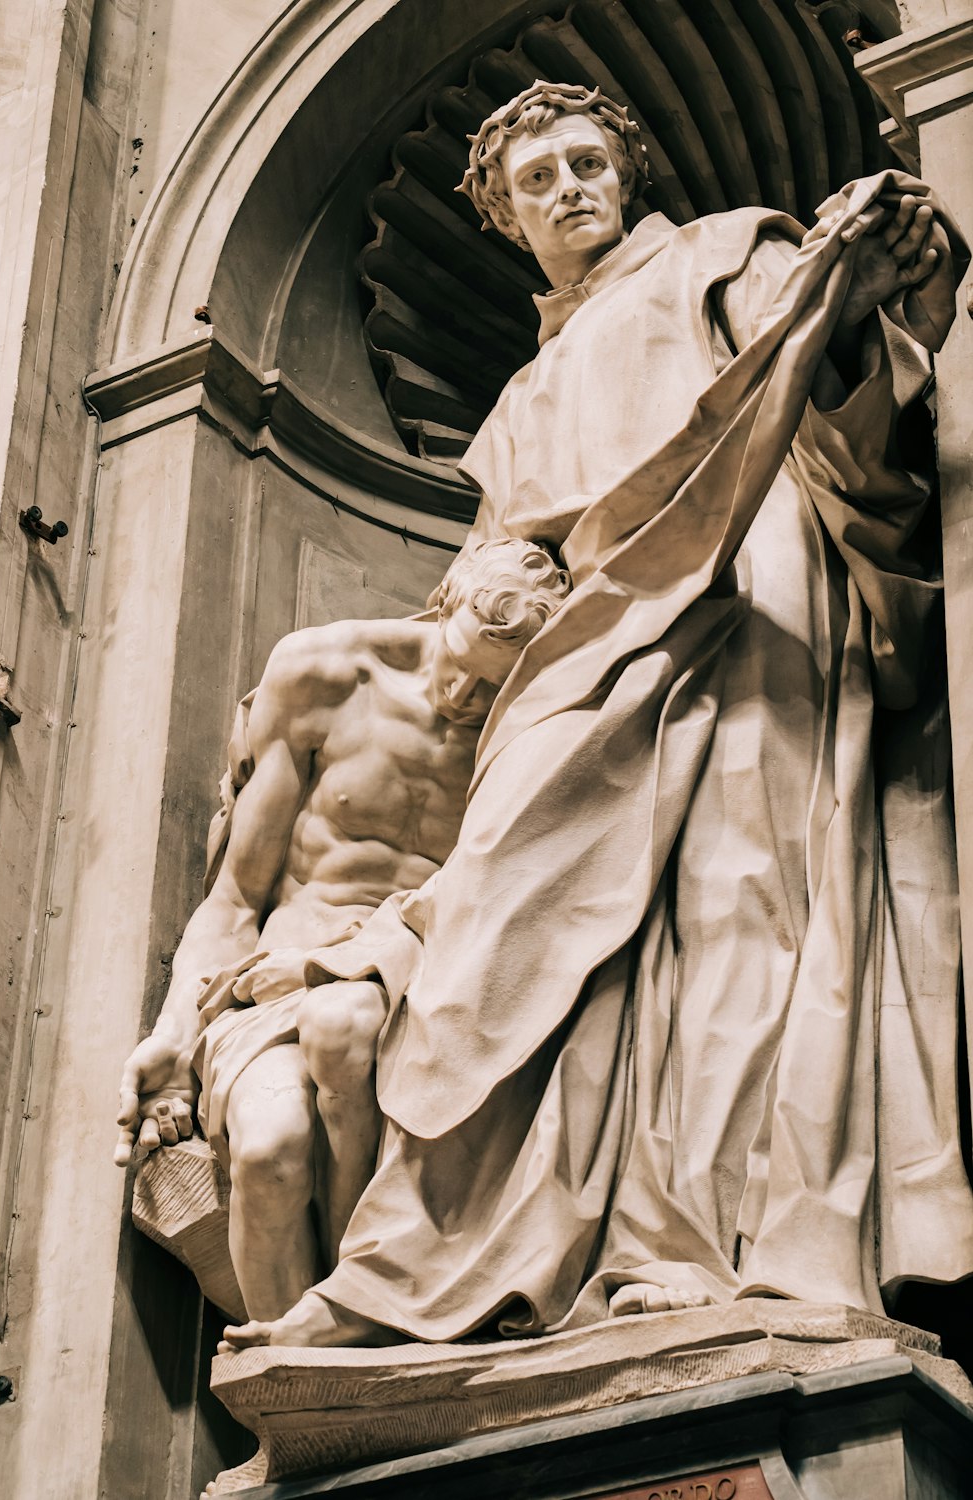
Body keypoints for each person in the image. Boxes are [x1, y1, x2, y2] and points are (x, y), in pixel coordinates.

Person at [221, 82, 973, 1352]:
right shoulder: (515, 404)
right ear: (509, 221)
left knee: (740, 908)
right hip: (574, 649)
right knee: (508, 942)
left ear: (624, 170)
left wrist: (874, 286)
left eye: (586, 162)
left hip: (744, 582)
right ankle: (429, 1263)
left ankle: (687, 1246)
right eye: (537, 180)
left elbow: (843, 395)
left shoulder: (730, 249)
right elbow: (479, 586)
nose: (569, 187)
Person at [114, 536, 570, 1320]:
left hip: (430, 992)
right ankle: (286, 1389)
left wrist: (368, 961)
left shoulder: (535, 734)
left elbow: (513, 903)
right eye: (457, 660)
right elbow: (235, 897)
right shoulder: (324, 672)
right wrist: (176, 1036)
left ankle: (355, 1328)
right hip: (279, 973)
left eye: (490, 686)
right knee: (267, 1149)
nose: (462, 695)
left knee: (348, 1027)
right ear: (446, 596)